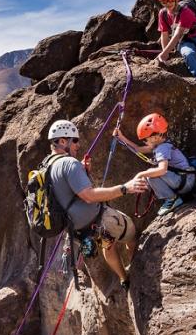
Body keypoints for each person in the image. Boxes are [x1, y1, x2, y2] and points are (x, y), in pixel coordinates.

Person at [47, 119, 148, 290]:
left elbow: (65, 190)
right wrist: (125, 188)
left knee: (108, 245)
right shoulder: (69, 163)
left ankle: (124, 278)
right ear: (63, 141)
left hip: (76, 229)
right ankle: (137, 274)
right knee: (131, 233)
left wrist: (83, 172)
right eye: (75, 140)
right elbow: (88, 196)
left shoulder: (48, 165)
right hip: (99, 219)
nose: (78, 146)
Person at [114, 113, 195, 216]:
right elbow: (138, 149)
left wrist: (141, 174)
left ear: (155, 137)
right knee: (150, 174)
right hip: (184, 180)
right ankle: (172, 198)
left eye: (145, 139)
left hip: (185, 182)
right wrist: (121, 137)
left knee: (150, 174)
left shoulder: (162, 148)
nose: (144, 142)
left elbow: (162, 170)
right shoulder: (160, 145)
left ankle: (172, 199)